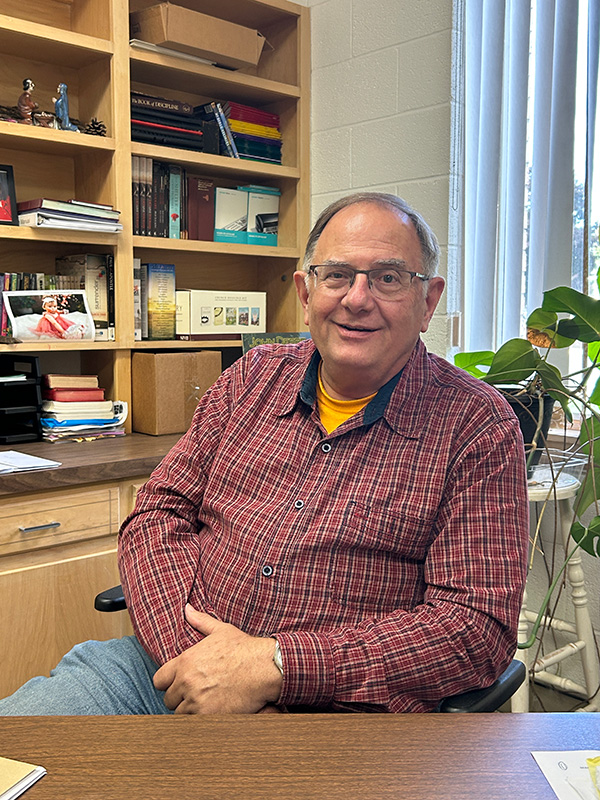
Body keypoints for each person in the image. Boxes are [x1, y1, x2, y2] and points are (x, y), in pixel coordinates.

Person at [0, 192, 529, 715]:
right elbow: (156, 514)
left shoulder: (475, 425)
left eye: (388, 277)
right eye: (336, 275)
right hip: (163, 673)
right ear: (305, 291)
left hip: (336, 713)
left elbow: (474, 628)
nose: (357, 298)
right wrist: (200, 665)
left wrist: (276, 670)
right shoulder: (251, 378)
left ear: (428, 301)